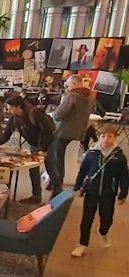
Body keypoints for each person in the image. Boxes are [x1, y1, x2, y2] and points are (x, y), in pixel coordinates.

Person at [71, 124, 128, 257]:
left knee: (107, 218)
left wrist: (123, 194)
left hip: (109, 193)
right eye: (103, 136)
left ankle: (103, 231)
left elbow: (124, 176)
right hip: (91, 192)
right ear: (98, 137)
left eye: (110, 136)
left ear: (115, 138)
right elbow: (83, 171)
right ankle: (82, 244)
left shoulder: (119, 157)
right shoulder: (92, 154)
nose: (106, 139)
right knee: (87, 219)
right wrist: (77, 187)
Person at [2, 94, 55, 204]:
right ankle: (36, 196)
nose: (9, 111)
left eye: (10, 108)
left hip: (46, 144)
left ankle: (58, 196)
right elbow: (6, 135)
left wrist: (44, 149)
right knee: (34, 170)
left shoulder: (34, 113)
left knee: (52, 170)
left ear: (18, 106)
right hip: (34, 145)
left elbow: (48, 131)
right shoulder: (14, 118)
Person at [47, 75, 94, 196]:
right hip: (78, 131)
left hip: (63, 131)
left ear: (73, 84)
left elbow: (59, 115)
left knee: (57, 159)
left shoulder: (72, 96)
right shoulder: (90, 97)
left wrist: (53, 112)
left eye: (68, 85)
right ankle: (54, 183)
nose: (67, 88)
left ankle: (57, 186)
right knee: (59, 157)